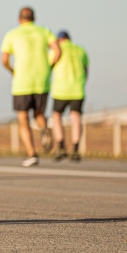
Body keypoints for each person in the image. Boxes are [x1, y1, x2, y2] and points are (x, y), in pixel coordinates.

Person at [1, 6, 61, 167]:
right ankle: (44, 128)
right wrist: (50, 67)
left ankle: (31, 153)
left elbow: (4, 59)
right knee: (39, 112)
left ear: (19, 19)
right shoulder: (45, 31)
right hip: (42, 79)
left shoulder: (12, 34)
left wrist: (12, 71)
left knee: (23, 118)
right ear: (34, 18)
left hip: (22, 81)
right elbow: (57, 51)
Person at [49, 31, 88, 162]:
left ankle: (61, 147)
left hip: (61, 89)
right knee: (75, 118)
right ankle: (75, 149)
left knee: (56, 116)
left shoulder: (56, 50)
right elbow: (86, 70)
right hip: (78, 89)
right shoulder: (80, 50)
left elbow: (49, 65)